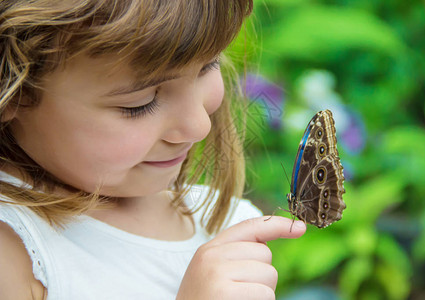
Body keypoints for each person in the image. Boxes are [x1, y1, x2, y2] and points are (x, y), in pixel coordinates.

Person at [0, 1, 306, 299]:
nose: (199, 126)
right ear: (12, 89)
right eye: (140, 103)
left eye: (208, 65)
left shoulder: (223, 221)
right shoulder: (15, 255)